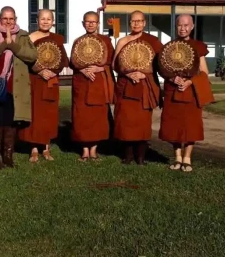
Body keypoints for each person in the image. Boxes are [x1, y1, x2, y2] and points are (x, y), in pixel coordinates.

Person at [0, 6, 37, 169]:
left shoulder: (22, 35)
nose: (8, 22)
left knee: (11, 120)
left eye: (11, 19)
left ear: (16, 19)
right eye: (5, 18)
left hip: (16, 83)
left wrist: (12, 44)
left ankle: (8, 154)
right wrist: (3, 45)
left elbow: (32, 55)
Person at [159, 14, 211, 172]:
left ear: (192, 26)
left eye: (186, 25)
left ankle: (187, 158)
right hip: (173, 91)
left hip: (191, 92)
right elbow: (163, 69)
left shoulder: (198, 46)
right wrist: (172, 78)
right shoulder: (168, 47)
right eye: (180, 25)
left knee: (191, 126)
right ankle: (177, 157)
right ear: (176, 26)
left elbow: (204, 72)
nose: (183, 28)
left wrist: (190, 81)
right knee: (173, 125)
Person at [111, 10, 163, 165]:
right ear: (130, 23)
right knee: (125, 121)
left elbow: (161, 64)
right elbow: (115, 64)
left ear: (144, 23)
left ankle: (140, 157)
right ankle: (128, 156)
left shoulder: (153, 41)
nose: (136, 24)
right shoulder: (123, 41)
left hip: (144, 87)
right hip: (126, 85)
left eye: (139, 21)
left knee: (142, 122)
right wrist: (127, 73)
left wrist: (145, 74)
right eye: (133, 21)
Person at [21, 9, 69, 162]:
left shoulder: (57, 39)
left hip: (51, 81)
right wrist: (39, 71)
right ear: (37, 20)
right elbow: (24, 60)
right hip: (35, 80)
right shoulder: (30, 38)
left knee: (49, 114)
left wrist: (54, 71)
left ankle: (46, 148)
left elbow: (62, 60)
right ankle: (34, 148)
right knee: (35, 113)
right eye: (43, 19)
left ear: (53, 21)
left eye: (49, 19)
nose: (46, 21)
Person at [70, 11, 115, 161]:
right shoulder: (78, 41)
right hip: (81, 84)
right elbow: (73, 61)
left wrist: (100, 68)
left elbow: (111, 61)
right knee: (81, 116)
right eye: (87, 22)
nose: (90, 24)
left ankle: (94, 150)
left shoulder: (105, 41)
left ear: (98, 24)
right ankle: (84, 150)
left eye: (93, 22)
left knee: (98, 117)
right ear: (83, 23)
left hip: (98, 83)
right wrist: (82, 69)